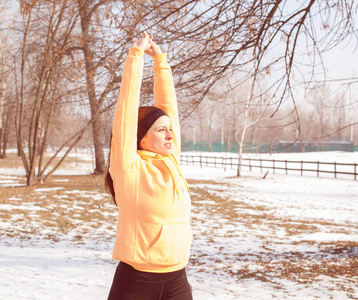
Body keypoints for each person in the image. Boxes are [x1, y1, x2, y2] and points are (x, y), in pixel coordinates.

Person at [105, 32, 193, 300]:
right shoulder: (128, 166)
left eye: (170, 130)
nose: (170, 135)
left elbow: (169, 108)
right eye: (161, 130)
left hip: (178, 279)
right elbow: (127, 113)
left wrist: (160, 62)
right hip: (137, 282)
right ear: (140, 137)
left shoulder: (171, 161)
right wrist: (136, 57)